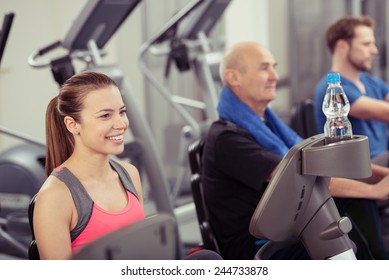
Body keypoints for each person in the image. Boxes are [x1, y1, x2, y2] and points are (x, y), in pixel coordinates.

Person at [202, 41, 389, 260]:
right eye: (264, 68)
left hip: (289, 224)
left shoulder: (268, 126)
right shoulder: (227, 138)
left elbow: (319, 162)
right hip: (260, 246)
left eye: (274, 66)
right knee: (352, 204)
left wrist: (383, 176)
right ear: (234, 78)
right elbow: (301, 176)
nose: (274, 76)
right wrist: (373, 190)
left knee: (351, 204)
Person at [33, 71, 145, 259]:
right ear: (72, 124)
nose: (121, 123)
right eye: (105, 116)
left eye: (122, 112)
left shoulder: (129, 174)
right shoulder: (55, 196)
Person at [314, 15, 389, 159]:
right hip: (357, 171)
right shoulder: (332, 89)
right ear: (342, 46)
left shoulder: (372, 82)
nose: (374, 51)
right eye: (366, 44)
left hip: (382, 162)